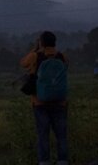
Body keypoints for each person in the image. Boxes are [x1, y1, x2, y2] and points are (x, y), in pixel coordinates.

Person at [20, 30, 69, 165]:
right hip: (60, 102)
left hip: (39, 102)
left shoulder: (35, 56)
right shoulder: (62, 57)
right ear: (54, 43)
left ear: (41, 43)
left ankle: (44, 162)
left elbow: (23, 63)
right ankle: (63, 161)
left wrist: (34, 49)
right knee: (61, 136)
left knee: (43, 135)